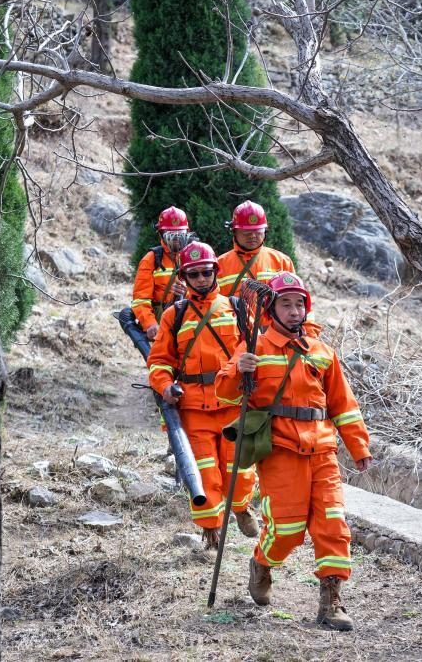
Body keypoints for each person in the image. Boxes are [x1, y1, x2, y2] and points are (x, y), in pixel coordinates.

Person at [215, 272, 372, 631]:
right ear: (271, 309)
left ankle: (331, 602)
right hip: (280, 451)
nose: (294, 311)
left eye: (299, 304)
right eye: (285, 304)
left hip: (323, 451)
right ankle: (261, 563)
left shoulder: (322, 352)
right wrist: (239, 370)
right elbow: (224, 394)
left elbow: (343, 405)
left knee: (333, 524)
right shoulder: (254, 347)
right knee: (286, 528)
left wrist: (358, 445)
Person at [147, 242, 260, 554]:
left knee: (238, 470)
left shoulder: (236, 308)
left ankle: (240, 507)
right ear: (184, 277)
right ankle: (211, 529)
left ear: (215, 272)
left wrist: (239, 367)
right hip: (194, 407)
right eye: (193, 274)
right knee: (204, 472)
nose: (200, 279)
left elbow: (253, 346)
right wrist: (165, 386)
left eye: (205, 272)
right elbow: (159, 361)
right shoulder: (174, 315)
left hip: (233, 403)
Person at [131, 206, 190, 341]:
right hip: (162, 322)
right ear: (161, 234)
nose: (176, 239)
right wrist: (150, 324)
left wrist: (187, 292)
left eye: (180, 234)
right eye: (171, 235)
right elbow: (140, 299)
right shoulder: (151, 260)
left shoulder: (193, 256)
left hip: (190, 320)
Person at [216, 201, 296, 297]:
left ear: (265, 231)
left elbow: (294, 298)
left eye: (258, 231)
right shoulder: (219, 265)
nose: (253, 236)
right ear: (234, 231)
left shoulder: (282, 261)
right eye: (246, 232)